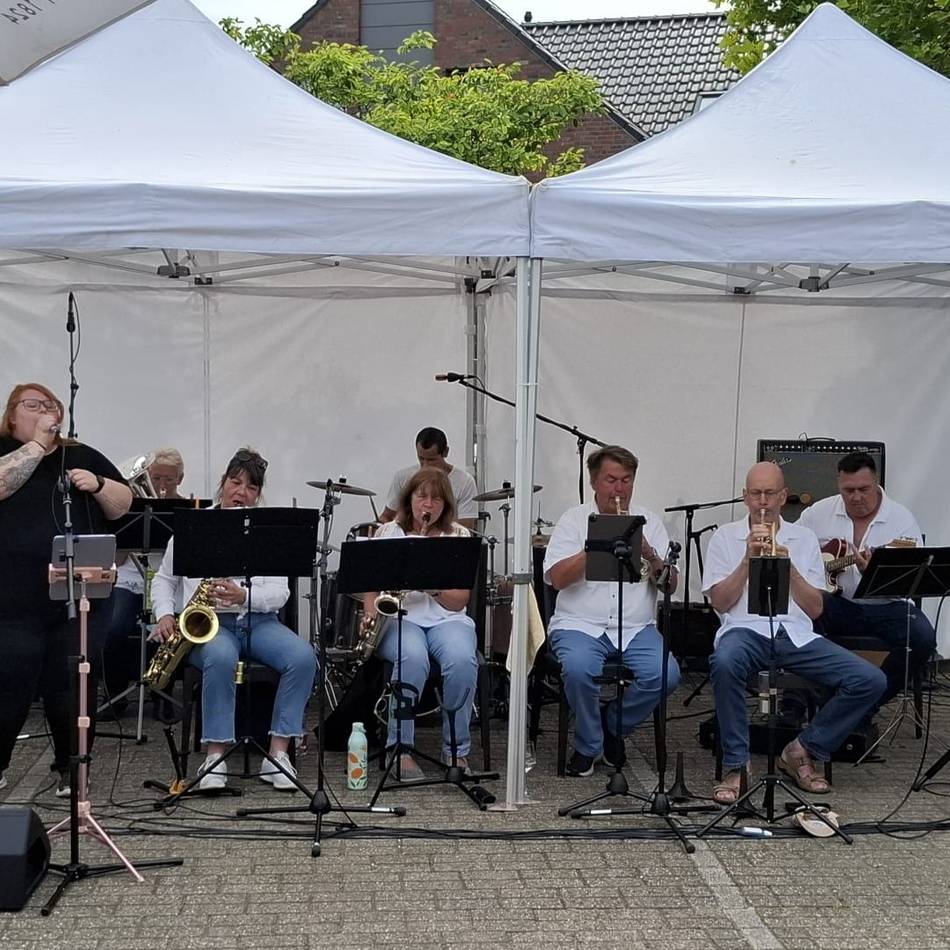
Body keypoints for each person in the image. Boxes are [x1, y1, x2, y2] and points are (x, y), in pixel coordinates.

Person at [703, 461, 886, 805]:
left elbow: (815, 610)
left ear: (783, 496)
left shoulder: (802, 538)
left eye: (770, 493)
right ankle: (736, 766)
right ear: (744, 497)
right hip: (743, 630)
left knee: (869, 680)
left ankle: (802, 750)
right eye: (755, 494)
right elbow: (722, 603)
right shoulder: (725, 537)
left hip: (795, 634)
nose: (762, 502)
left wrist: (789, 568)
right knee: (724, 662)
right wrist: (747, 560)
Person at [151, 448, 317, 792]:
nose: (242, 492)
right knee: (221, 656)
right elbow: (165, 579)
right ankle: (215, 755)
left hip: (259, 621)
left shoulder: (266, 531)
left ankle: (278, 754)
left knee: (303, 657)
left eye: (251, 488)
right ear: (223, 482)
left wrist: (245, 597)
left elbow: (281, 592)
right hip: (209, 622)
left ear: (258, 494)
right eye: (236, 482)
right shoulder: (194, 527)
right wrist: (165, 613)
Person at [0, 382, 132, 795]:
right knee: (10, 682)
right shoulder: (5, 449)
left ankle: (72, 769)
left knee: (73, 680)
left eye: (50, 405)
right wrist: (36, 447)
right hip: (13, 598)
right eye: (32, 405)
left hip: (81, 595)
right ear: (12, 414)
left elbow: (125, 502)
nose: (44, 411)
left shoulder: (81, 454)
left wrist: (98, 484)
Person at [543, 445, 680, 778]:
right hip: (579, 623)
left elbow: (670, 586)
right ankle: (590, 745)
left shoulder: (651, 521)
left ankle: (613, 724)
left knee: (667, 674)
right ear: (594, 482)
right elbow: (557, 579)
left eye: (626, 480)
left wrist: (651, 554)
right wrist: (596, 545)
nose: (619, 489)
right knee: (577, 669)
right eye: (611, 480)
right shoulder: (573, 520)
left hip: (636, 626)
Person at [797, 451, 936, 710]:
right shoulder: (819, 513)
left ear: (876, 482)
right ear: (838, 484)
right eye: (848, 490)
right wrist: (813, 570)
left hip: (886, 607)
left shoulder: (901, 519)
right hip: (836, 604)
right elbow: (791, 547)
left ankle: (861, 706)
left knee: (922, 638)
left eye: (864, 489)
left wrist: (871, 573)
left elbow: (908, 579)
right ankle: (795, 704)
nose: (856, 497)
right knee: (797, 617)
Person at [364, 468, 479, 780]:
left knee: (462, 660)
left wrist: (430, 583)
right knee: (411, 658)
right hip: (401, 616)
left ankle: (456, 750)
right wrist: (369, 611)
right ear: (409, 499)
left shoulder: (458, 537)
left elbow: (458, 600)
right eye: (422, 496)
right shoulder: (389, 533)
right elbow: (370, 585)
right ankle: (399, 749)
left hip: (447, 618)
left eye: (436, 499)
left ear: (445, 505)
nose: (428, 505)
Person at [100, 448, 188, 708]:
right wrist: (133, 537)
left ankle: (163, 693)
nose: (161, 485)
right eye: (156, 477)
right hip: (130, 580)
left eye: (169, 479)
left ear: (180, 479)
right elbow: (115, 561)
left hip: (166, 583)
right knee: (113, 626)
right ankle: (114, 693)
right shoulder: (126, 510)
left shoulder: (187, 509)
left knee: (171, 630)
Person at [380, 427, 477, 529]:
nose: (425, 465)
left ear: (445, 452)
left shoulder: (465, 482)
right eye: (421, 458)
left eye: (431, 460)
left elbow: (466, 527)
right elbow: (387, 516)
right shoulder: (402, 477)